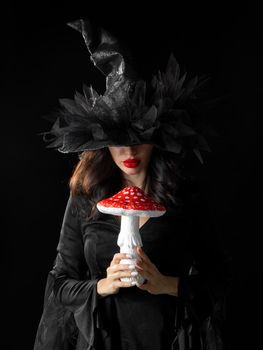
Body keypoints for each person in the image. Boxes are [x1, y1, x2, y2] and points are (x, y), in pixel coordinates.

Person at [34, 19, 232, 350]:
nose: (129, 151)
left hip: (166, 340)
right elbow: (60, 285)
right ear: (102, 141)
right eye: (117, 140)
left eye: (140, 139)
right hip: (103, 341)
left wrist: (168, 284)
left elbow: (220, 282)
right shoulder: (85, 197)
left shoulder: (185, 195)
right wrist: (102, 286)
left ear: (158, 137)